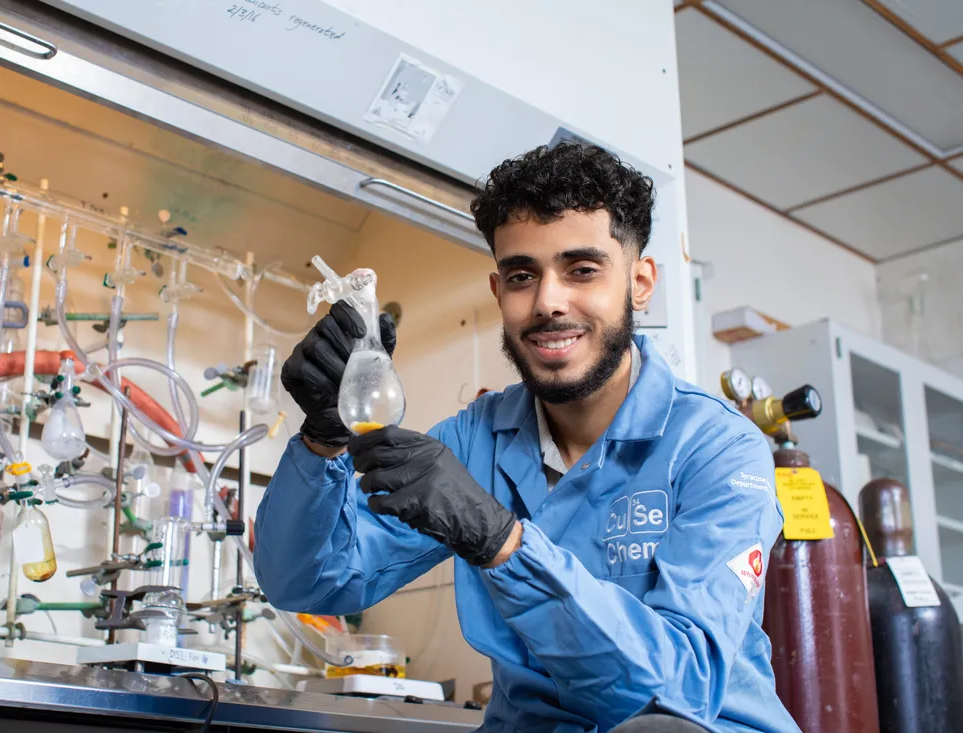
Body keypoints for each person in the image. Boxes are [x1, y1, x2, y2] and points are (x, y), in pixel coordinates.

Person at [254, 142, 800, 733]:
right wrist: (323, 440)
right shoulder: (475, 439)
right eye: (522, 276)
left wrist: (503, 543)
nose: (547, 303)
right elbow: (306, 581)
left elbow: (677, 690)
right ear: (497, 293)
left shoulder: (718, 448)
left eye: (582, 270)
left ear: (641, 284)